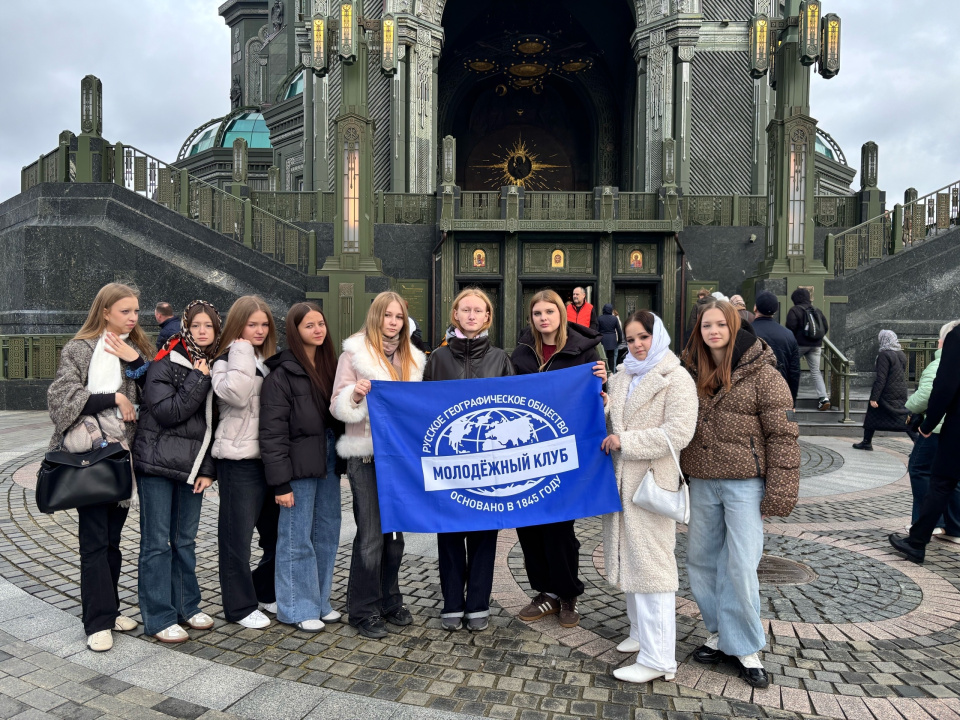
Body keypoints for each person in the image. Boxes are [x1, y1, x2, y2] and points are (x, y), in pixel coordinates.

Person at [680, 300, 800, 689]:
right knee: (700, 559)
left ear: (734, 327)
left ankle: (746, 646)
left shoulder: (764, 375)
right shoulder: (689, 371)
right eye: (706, 325)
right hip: (702, 479)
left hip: (745, 482)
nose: (713, 331)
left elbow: (783, 435)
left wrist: (778, 492)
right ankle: (719, 633)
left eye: (720, 324)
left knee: (741, 564)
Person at [46, 283, 153, 652]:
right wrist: (115, 397)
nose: (133, 317)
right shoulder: (80, 349)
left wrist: (136, 362)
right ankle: (97, 622)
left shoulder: (135, 349)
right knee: (94, 541)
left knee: (112, 540)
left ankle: (109, 610)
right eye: (125, 311)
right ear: (105, 311)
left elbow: (156, 393)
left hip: (123, 457)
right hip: (88, 458)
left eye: (136, 311)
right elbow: (61, 398)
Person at [600, 310, 698, 683]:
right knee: (630, 557)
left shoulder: (676, 378)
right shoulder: (622, 375)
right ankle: (640, 633)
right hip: (622, 482)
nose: (638, 345)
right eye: (631, 339)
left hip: (651, 483)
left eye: (644, 337)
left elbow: (679, 432)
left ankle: (659, 660)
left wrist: (626, 441)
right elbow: (610, 421)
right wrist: (601, 399)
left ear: (658, 336)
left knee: (653, 566)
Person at [331, 291, 427, 639]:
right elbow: (337, 405)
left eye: (399, 317)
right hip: (366, 454)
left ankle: (390, 599)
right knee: (371, 535)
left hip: (398, 458)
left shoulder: (413, 358)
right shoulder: (354, 354)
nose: (393, 322)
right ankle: (362, 609)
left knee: (395, 536)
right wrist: (355, 394)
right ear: (376, 317)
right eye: (387, 315)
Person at [511, 289, 608, 628]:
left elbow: (598, 396)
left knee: (560, 527)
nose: (543, 318)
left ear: (561, 314)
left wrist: (602, 388)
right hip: (527, 453)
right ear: (531, 318)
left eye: (549, 312)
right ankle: (546, 591)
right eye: (537, 313)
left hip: (565, 452)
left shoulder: (584, 351)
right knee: (529, 525)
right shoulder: (521, 353)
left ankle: (567, 593)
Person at [423, 288, 515, 632]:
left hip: (487, 467)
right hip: (448, 466)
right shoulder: (437, 359)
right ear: (455, 315)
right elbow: (421, 407)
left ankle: (477, 603)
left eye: (479, 310)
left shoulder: (500, 359)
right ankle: (452, 602)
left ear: (488, 317)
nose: (472, 315)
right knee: (448, 535)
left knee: (483, 538)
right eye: (466, 309)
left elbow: (513, 409)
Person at [133, 301, 221, 643]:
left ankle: (187, 604)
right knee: (157, 543)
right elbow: (168, 413)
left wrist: (207, 469)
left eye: (209, 326)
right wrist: (199, 379)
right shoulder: (166, 361)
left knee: (185, 540)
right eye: (196, 325)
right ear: (185, 328)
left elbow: (214, 425)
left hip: (192, 467)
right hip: (157, 464)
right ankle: (159, 616)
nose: (202, 331)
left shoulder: (216, 365)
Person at [260, 302, 343, 632]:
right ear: (295, 331)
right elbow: (272, 433)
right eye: (309, 325)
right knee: (296, 537)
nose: (318, 330)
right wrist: (280, 483)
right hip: (297, 464)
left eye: (321, 323)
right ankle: (297, 606)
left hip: (328, 459)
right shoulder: (281, 375)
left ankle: (320, 601)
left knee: (327, 531)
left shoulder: (331, 366)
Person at [211, 296, 280, 630]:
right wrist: (240, 348)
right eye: (252, 324)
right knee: (236, 540)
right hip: (238, 462)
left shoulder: (268, 360)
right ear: (238, 325)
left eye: (264, 324)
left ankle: (262, 589)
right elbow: (237, 395)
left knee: (277, 536)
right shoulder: (226, 360)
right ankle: (238, 607)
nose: (260, 330)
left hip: (269, 460)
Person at [889, 322, 960, 564]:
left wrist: (928, 425)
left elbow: (944, 386)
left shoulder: (957, 336)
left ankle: (917, 542)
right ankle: (918, 539)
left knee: (941, 482)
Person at [853, 330, 913, 450]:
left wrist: (874, 397)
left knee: (896, 417)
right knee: (882, 414)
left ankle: (916, 440)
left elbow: (881, 378)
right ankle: (866, 441)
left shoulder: (884, 355)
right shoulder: (901, 354)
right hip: (900, 390)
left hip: (886, 391)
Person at [785, 287, 830, 410]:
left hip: (799, 345)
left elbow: (790, 328)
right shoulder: (817, 310)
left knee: (790, 368)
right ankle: (824, 398)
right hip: (816, 346)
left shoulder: (795, 310)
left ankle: (786, 394)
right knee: (816, 371)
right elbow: (825, 327)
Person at [751, 291, 801, 403]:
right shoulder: (788, 335)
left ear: (755, 308)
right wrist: (792, 401)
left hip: (751, 393)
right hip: (780, 392)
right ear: (775, 310)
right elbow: (794, 371)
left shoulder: (745, 332)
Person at [598, 304, 623, 373]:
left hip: (602, 340)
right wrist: (620, 341)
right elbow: (619, 331)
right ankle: (611, 372)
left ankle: (602, 372)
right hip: (612, 341)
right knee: (611, 358)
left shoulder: (600, 318)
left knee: (602, 357)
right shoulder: (614, 318)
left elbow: (597, 330)